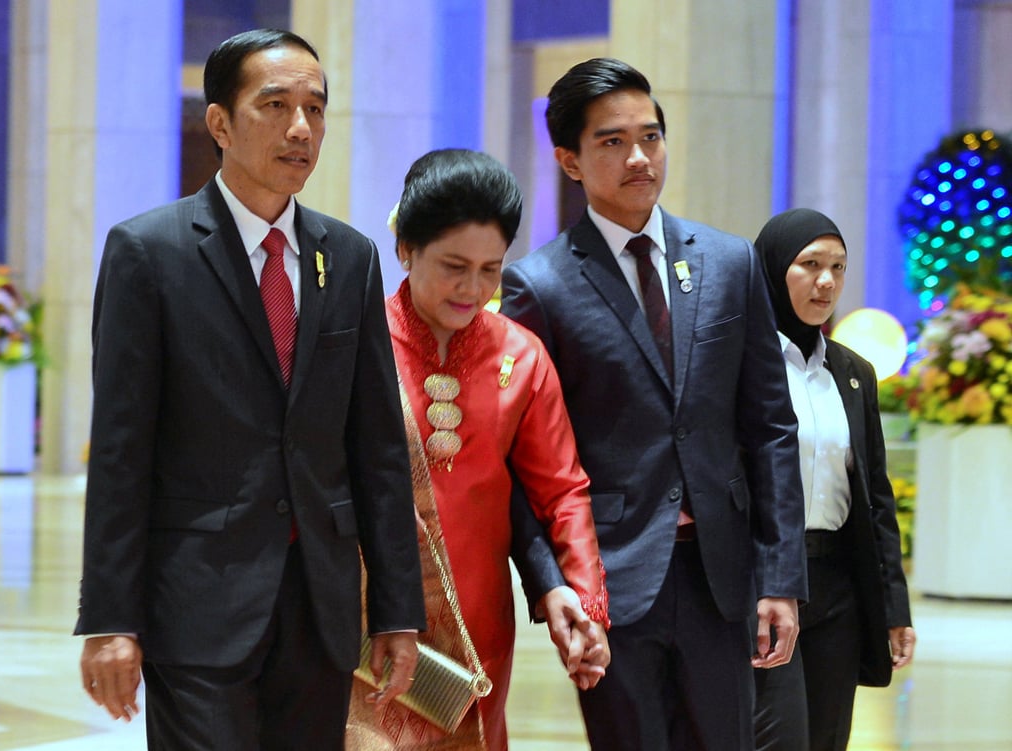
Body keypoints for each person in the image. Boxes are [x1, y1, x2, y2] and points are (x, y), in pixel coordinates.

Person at [74, 29, 426, 751]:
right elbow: (120, 448)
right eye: (275, 105)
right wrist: (111, 618)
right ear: (221, 124)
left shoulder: (349, 257)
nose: (302, 128)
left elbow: (378, 449)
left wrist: (397, 611)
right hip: (197, 601)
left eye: (316, 109)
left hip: (320, 603)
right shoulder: (150, 252)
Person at [500, 57, 808, 751]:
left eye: (651, 136)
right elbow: (526, 463)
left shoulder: (730, 263)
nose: (639, 157)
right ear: (569, 161)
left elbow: (770, 428)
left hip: (721, 578)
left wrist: (781, 575)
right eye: (611, 141)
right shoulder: (539, 286)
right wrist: (554, 586)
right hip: (607, 577)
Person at [352, 148, 610, 750]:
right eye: (453, 266)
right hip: (366, 620)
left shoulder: (521, 357)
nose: (473, 289)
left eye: (491, 269)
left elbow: (562, 489)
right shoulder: (358, 347)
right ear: (405, 250)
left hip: (476, 628)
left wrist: (583, 598)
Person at [752, 208, 916, 751]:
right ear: (774, 270)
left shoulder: (852, 373)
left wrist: (894, 608)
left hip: (839, 582)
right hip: (768, 581)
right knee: (778, 735)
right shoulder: (743, 366)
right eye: (810, 264)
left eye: (839, 268)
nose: (827, 281)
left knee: (827, 738)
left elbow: (874, 498)